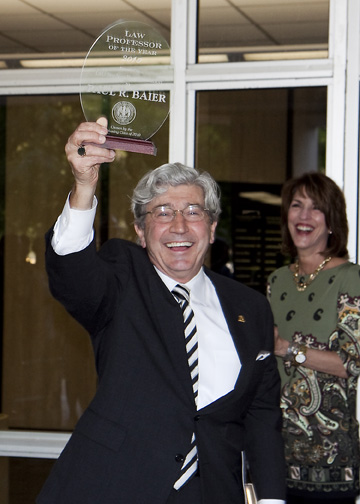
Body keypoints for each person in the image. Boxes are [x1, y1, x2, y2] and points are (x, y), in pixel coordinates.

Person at [37, 118, 286, 504]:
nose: (180, 226)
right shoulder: (122, 278)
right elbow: (73, 274)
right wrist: (84, 186)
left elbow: (261, 416)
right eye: (163, 213)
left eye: (193, 211)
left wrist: (271, 500)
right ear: (141, 229)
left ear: (213, 226)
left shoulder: (250, 308)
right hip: (112, 488)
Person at [267, 172, 360, 504]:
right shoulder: (276, 280)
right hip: (276, 456)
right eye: (296, 205)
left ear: (331, 220)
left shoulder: (350, 278)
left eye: (316, 208)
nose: (304, 217)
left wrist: (286, 348)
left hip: (331, 459)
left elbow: (351, 365)